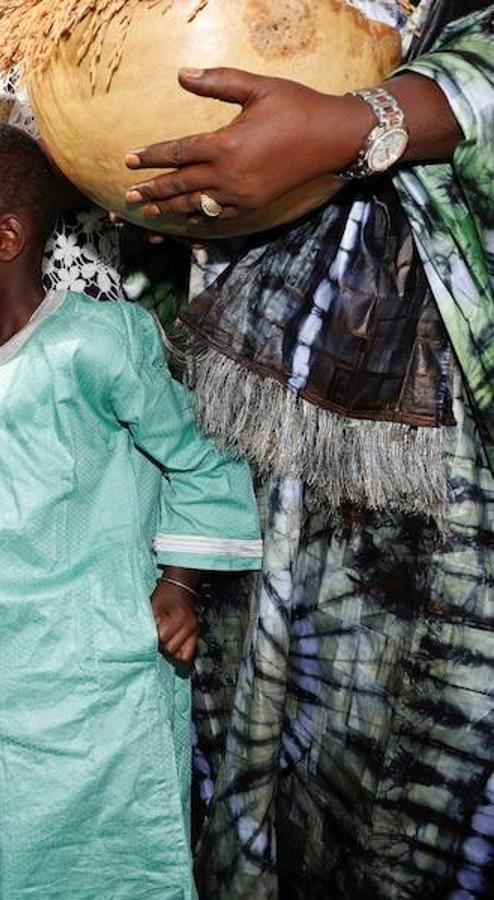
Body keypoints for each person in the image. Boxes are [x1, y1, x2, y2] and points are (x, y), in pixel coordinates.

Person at [109, 4, 494, 896]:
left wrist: (362, 123)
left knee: (421, 768)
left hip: (437, 469)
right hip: (254, 448)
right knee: (264, 737)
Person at [0, 124, 264, 898]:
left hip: (84, 681)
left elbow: (202, 458)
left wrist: (181, 583)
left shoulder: (99, 344)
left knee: (95, 858)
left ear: (7, 235)